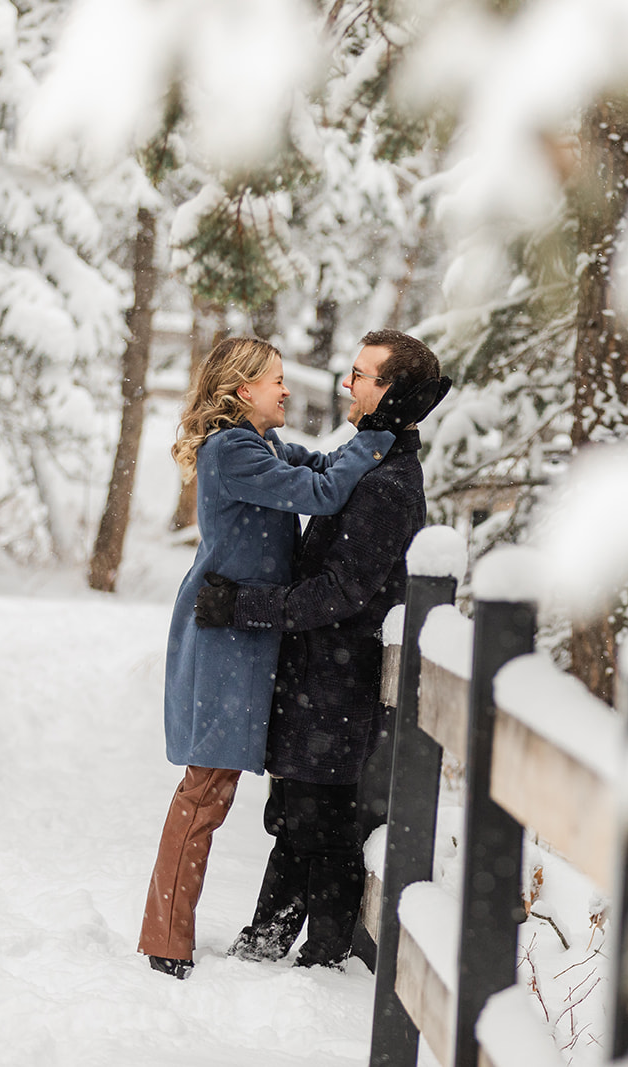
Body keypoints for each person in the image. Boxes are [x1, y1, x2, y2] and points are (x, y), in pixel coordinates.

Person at [141, 335, 433, 980]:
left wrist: (392, 429)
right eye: (276, 380)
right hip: (224, 632)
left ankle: (200, 932)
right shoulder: (233, 449)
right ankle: (165, 937)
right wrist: (383, 430)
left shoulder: (264, 446)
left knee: (231, 793)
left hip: (251, 633)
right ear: (244, 390)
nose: (288, 389)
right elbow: (325, 494)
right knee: (206, 788)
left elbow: (327, 470)